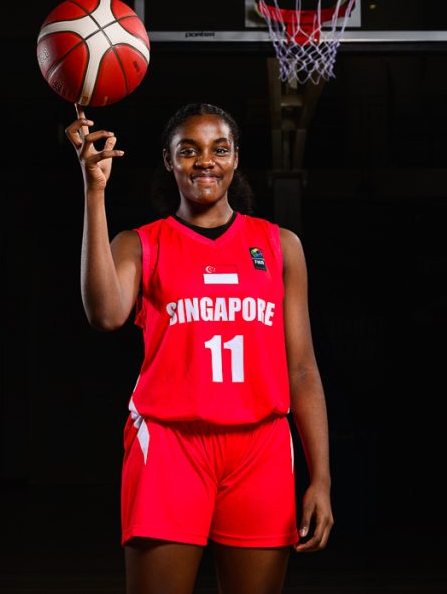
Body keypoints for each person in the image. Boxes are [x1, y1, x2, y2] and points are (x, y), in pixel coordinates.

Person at [65, 101, 333, 594]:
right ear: (169, 162)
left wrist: (322, 478)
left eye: (219, 149)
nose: (204, 161)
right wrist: (94, 190)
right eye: (188, 151)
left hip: (262, 447)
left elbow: (302, 369)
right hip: (170, 446)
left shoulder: (280, 247)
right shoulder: (141, 244)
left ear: (235, 160)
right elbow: (105, 315)